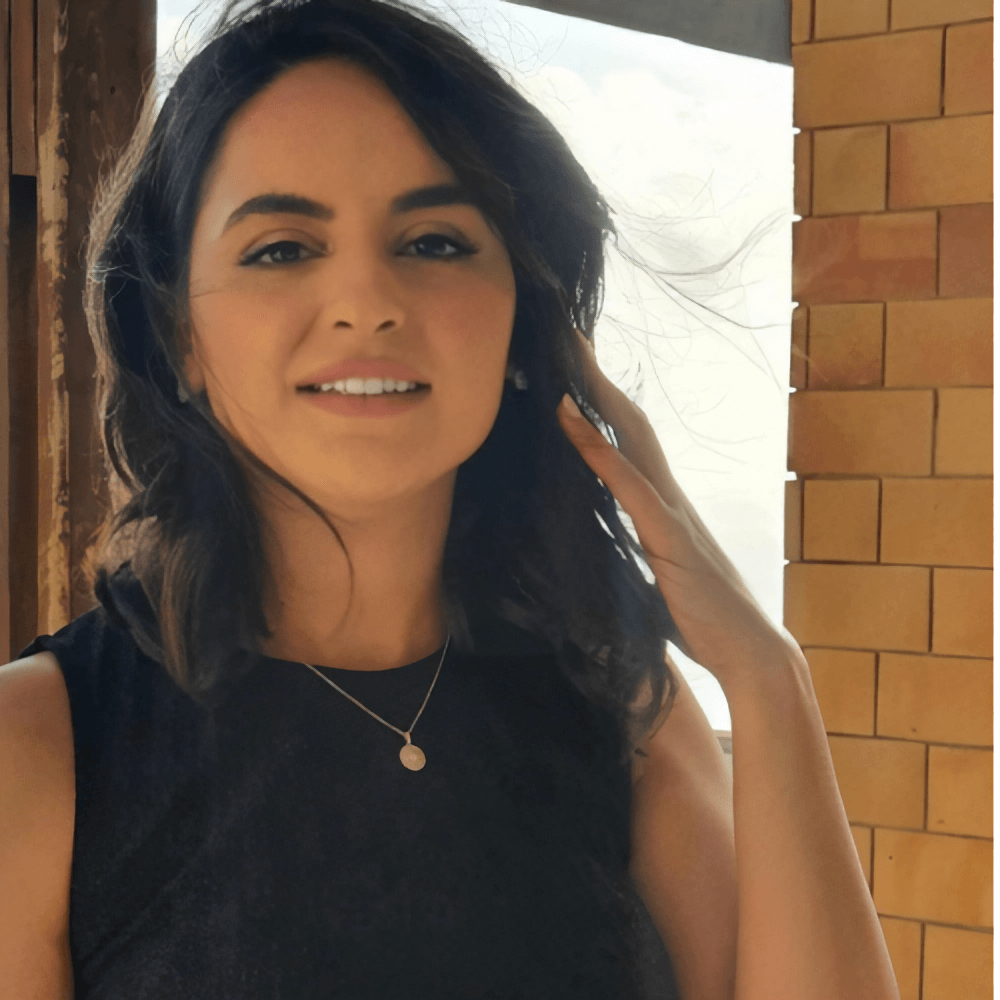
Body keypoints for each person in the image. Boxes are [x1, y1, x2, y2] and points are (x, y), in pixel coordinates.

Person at [0, 1, 900, 997]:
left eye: (433, 242)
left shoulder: (623, 712)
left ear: (520, 324)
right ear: (178, 339)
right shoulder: (40, 748)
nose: (366, 302)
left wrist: (767, 676)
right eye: (281, 248)